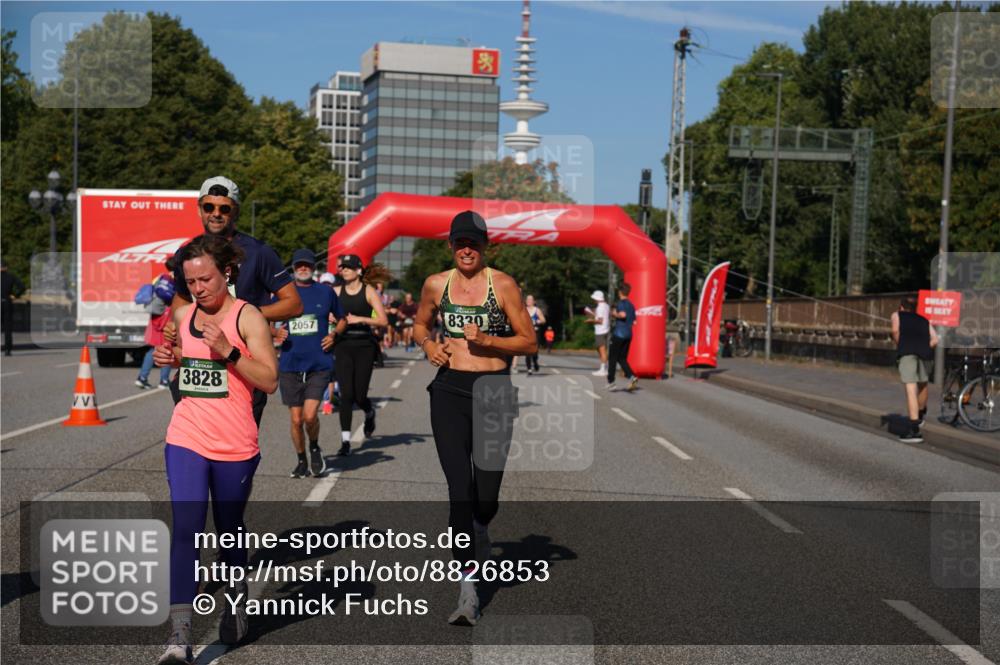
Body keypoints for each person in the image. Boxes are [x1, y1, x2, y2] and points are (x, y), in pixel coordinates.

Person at [151, 234, 278, 664]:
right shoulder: (184, 314)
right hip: (187, 435)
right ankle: (179, 637)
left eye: (205, 278)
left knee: (228, 528)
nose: (198, 288)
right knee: (186, 529)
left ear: (226, 272)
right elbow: (189, 374)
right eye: (190, 281)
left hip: (235, 443)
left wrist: (227, 352)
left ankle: (236, 597)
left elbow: (269, 381)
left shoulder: (248, 317)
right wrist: (174, 365)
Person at [413, 210, 537, 626]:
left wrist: (488, 340)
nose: (467, 250)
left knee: (486, 495)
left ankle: (481, 526)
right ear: (450, 245)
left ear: (485, 246)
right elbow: (419, 325)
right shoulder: (437, 284)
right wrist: (428, 347)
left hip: (493, 393)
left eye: (474, 243)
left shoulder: (501, 285)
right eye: (460, 243)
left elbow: (529, 342)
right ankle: (468, 589)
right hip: (448, 392)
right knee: (459, 490)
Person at [167, 176, 302, 427]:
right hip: (199, 367)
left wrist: (243, 316)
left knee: (236, 451)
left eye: (224, 208)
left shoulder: (259, 252)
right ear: (199, 209)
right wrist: (176, 329)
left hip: (243, 365)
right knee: (192, 442)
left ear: (235, 211)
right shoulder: (187, 254)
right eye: (209, 207)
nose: (216, 214)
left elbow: (294, 304)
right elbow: (181, 299)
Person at [275, 249, 343, 478]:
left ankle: (314, 446)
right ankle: (301, 459)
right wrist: (274, 333)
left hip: (319, 364)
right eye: (299, 265)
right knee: (295, 420)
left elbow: (342, 319)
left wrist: (334, 335)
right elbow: (261, 318)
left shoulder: (325, 292)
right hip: (290, 364)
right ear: (293, 268)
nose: (303, 268)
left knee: (310, 416)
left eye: (307, 265)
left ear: (314, 268)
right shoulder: (284, 293)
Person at [332, 254, 389, 456]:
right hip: (343, 345)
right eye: (342, 267)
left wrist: (359, 319)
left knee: (360, 395)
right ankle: (345, 441)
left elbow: (383, 321)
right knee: (346, 395)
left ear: (358, 270)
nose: (344, 270)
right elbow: (327, 313)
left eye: (348, 267)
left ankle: (369, 411)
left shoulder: (369, 291)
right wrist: (332, 318)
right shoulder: (335, 291)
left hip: (364, 345)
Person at [891, 295, 938, 443]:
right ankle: (921, 414)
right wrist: (924, 346)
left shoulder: (896, 315)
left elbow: (895, 331)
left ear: (902, 307)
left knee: (911, 389)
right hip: (926, 355)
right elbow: (935, 339)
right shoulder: (924, 320)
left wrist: (901, 344)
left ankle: (914, 430)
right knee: (923, 384)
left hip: (908, 354)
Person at [136, 258, 177, 389]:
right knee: (167, 348)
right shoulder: (174, 279)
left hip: (155, 318)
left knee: (152, 349)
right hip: (165, 319)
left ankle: (142, 377)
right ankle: (164, 381)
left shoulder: (159, 278)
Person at [606, 283, 638, 392]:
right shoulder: (631, 305)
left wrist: (615, 314)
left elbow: (623, 315)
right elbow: (634, 321)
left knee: (612, 358)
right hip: (628, 334)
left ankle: (611, 382)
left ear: (619, 292)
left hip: (619, 334)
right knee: (622, 358)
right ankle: (632, 376)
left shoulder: (621, 303)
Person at [1, 260, 25, 356]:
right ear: (6, 267)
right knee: (7, 328)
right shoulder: (11, 277)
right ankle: (7, 349)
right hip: (7, 303)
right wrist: (15, 295)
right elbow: (22, 287)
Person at [584, 290, 611, 376]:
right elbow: (602, 317)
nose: (594, 300)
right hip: (606, 329)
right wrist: (593, 314)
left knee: (602, 350)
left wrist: (590, 320)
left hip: (600, 330)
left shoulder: (600, 307)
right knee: (600, 349)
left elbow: (600, 321)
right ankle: (603, 368)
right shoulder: (606, 306)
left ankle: (603, 369)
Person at [524, 295, 546, 373]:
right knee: (527, 351)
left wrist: (538, 321)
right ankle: (529, 368)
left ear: (534, 301)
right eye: (527, 299)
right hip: (526, 333)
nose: (528, 301)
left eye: (530, 300)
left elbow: (543, 320)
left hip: (535, 333)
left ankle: (535, 362)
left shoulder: (537, 310)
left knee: (534, 351)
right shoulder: (524, 310)